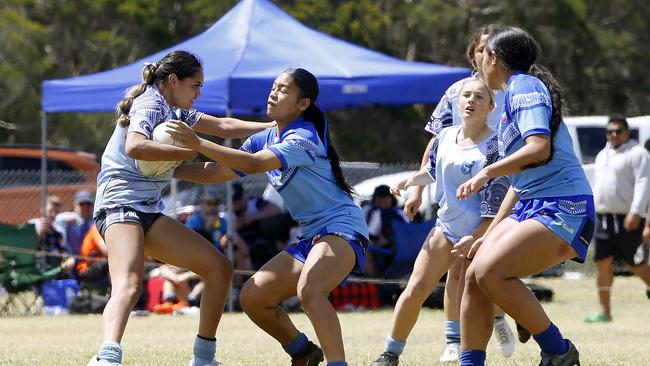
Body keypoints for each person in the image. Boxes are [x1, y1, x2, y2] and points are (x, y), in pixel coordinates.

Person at [169, 67, 369, 366]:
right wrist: (167, 170)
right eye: (274, 87)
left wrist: (197, 143)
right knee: (253, 298)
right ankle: (303, 351)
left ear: (303, 104)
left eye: (284, 89)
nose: (273, 93)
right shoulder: (264, 137)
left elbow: (251, 165)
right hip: (310, 237)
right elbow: (219, 172)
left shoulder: (305, 136)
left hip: (342, 228)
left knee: (310, 291)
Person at [87, 50, 274, 366]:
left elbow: (225, 125)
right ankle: (107, 358)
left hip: (147, 208)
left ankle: (203, 359)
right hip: (119, 203)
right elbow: (135, 146)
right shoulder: (150, 103)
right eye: (195, 85)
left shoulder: (176, 111)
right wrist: (186, 154)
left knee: (219, 268)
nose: (199, 93)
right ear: (173, 81)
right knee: (129, 285)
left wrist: (273, 127)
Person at [455, 26, 595, 366]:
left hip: (564, 205)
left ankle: (559, 351)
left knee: (490, 272)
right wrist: (487, 233)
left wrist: (487, 172)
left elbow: (538, 147)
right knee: (474, 272)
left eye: (483, 56)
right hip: (532, 204)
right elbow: (520, 184)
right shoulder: (510, 95)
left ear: (493, 59)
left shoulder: (524, 87)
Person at [370, 77, 509, 366]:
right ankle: (390, 353)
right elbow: (431, 170)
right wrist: (411, 181)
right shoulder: (445, 137)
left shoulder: (497, 145)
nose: (471, 100)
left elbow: (496, 204)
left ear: (490, 106)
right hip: (444, 229)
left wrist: (477, 237)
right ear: (457, 103)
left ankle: (493, 338)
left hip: (481, 234)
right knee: (416, 289)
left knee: (477, 298)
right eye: (466, 95)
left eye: (479, 97)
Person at [401, 24, 515, 362]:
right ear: (473, 52)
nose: (487, 54)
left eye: (494, 48)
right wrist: (417, 191)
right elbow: (437, 141)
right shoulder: (458, 91)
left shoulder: (514, 89)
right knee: (458, 269)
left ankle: (499, 317)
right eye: (482, 48)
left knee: (493, 268)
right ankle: (456, 339)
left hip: (507, 188)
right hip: (461, 194)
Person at [585, 115, 650, 322]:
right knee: (602, 262)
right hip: (603, 217)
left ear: (627, 132)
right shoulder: (603, 154)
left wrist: (635, 212)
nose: (613, 134)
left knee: (634, 262)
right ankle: (605, 312)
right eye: (610, 131)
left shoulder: (637, 153)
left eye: (618, 131)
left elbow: (643, 183)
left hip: (627, 217)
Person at [362, 184, 409, 278]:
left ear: (391, 200)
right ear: (375, 200)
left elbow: (372, 235)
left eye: (386, 200)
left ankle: (375, 283)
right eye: (380, 201)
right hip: (383, 247)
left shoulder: (396, 212)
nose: (383, 204)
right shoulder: (369, 209)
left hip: (395, 248)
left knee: (366, 252)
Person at [29, 195, 68, 270]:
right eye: (50, 211)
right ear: (42, 210)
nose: (53, 215)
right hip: (39, 261)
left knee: (71, 261)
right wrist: (40, 232)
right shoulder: (32, 225)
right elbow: (29, 249)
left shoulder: (60, 231)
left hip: (57, 263)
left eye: (56, 212)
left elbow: (63, 251)